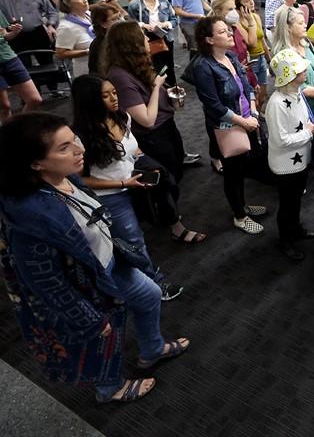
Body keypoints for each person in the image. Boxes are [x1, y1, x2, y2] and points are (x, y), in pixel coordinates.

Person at [0, 113, 189, 404]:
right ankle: (109, 389)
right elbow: (46, 283)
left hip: (107, 266)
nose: (80, 149)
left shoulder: (64, 177)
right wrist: (86, 317)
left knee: (149, 294)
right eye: (64, 147)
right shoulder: (30, 217)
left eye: (74, 138)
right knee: (103, 336)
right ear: (35, 163)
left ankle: (152, 350)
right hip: (85, 284)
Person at [70, 75, 186, 300]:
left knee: (136, 234)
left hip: (133, 182)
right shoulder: (81, 137)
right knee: (133, 240)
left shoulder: (122, 117)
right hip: (110, 194)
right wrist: (123, 182)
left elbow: (133, 149)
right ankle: (154, 285)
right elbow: (81, 181)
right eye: (106, 95)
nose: (114, 98)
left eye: (114, 92)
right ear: (90, 100)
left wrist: (143, 165)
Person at [192, 16, 270, 235]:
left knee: (244, 166)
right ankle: (239, 215)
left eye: (228, 30)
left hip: (247, 118)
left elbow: (247, 87)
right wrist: (243, 121)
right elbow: (213, 105)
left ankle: (243, 205)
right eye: (222, 32)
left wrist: (253, 108)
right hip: (229, 126)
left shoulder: (232, 56)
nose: (229, 34)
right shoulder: (203, 67)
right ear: (208, 39)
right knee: (233, 172)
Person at [103, 21, 199, 184]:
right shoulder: (120, 76)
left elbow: (145, 96)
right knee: (167, 178)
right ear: (131, 44)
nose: (147, 39)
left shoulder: (137, 65)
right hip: (153, 136)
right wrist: (156, 88)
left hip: (166, 126)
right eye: (142, 36)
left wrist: (166, 93)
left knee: (176, 171)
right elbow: (147, 120)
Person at [266, 49, 314, 260]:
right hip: (285, 165)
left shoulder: (296, 94)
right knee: (287, 203)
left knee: (296, 199)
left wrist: (310, 127)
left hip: (300, 159)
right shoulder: (277, 103)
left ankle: (295, 228)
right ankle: (285, 240)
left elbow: (300, 124)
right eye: (300, 69)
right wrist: (308, 132)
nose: (305, 70)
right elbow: (281, 139)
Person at [271, 4, 314, 117]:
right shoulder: (283, 54)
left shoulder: (306, 44)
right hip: (305, 110)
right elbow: (300, 88)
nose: (305, 26)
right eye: (300, 23)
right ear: (288, 27)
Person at [127, 0, 179, 87]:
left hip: (165, 38)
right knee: (152, 65)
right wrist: (143, 25)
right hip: (147, 39)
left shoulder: (164, 3)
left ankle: (172, 87)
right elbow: (131, 23)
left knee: (168, 65)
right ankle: (156, 88)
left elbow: (175, 20)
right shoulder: (135, 5)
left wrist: (166, 23)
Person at [0, 10, 41, 120]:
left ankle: (17, 128)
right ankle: (8, 135)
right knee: (4, 106)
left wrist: (14, 32)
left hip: (9, 57)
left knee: (35, 99)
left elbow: (4, 34)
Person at [54, 0, 93, 78]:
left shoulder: (89, 15)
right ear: (67, 3)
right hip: (86, 71)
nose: (84, 0)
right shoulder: (66, 27)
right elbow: (60, 54)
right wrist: (87, 51)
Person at [87, 1, 126, 75]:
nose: (120, 21)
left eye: (119, 17)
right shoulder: (98, 45)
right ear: (103, 24)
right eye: (114, 19)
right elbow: (96, 72)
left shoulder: (123, 37)